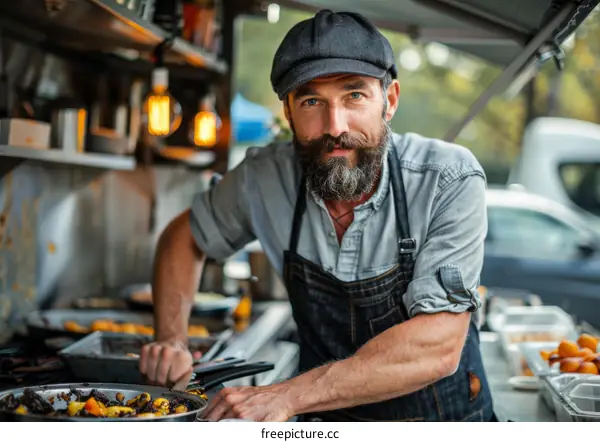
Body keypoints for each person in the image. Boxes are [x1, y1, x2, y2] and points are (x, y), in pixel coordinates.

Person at [139, 9, 497, 422]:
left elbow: (438, 344)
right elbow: (183, 238)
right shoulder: (263, 177)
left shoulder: (447, 178)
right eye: (312, 101)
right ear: (288, 113)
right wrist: (171, 340)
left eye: (355, 96)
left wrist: (288, 396)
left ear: (390, 100)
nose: (334, 126)